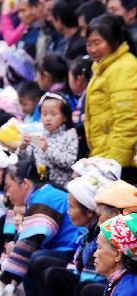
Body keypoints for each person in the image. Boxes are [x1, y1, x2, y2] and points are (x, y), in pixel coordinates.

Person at [0, 156, 84, 296]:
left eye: (9, 187)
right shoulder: (39, 196)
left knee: (35, 256)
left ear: (25, 184)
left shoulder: (45, 198)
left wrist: (1, 283)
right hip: (61, 251)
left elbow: (29, 244)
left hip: (72, 255)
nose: (7, 194)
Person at [39, 162, 118, 296]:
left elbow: (92, 276)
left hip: (103, 289)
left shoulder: (101, 235)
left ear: (89, 211)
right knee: (55, 274)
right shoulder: (86, 233)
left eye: (72, 207)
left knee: (85, 289)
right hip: (88, 282)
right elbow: (77, 267)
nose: (67, 212)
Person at [84, 14, 137, 182]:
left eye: (97, 43)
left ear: (113, 40)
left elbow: (127, 121)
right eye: (89, 44)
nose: (92, 49)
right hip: (103, 158)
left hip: (119, 164)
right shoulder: (104, 66)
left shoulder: (124, 68)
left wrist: (113, 163)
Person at [18, 92, 78, 188]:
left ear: (65, 117)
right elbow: (28, 158)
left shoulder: (69, 134)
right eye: (44, 114)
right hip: (41, 182)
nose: (48, 118)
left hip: (61, 186)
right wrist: (23, 147)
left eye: (53, 114)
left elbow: (69, 162)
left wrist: (47, 150)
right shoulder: (39, 132)